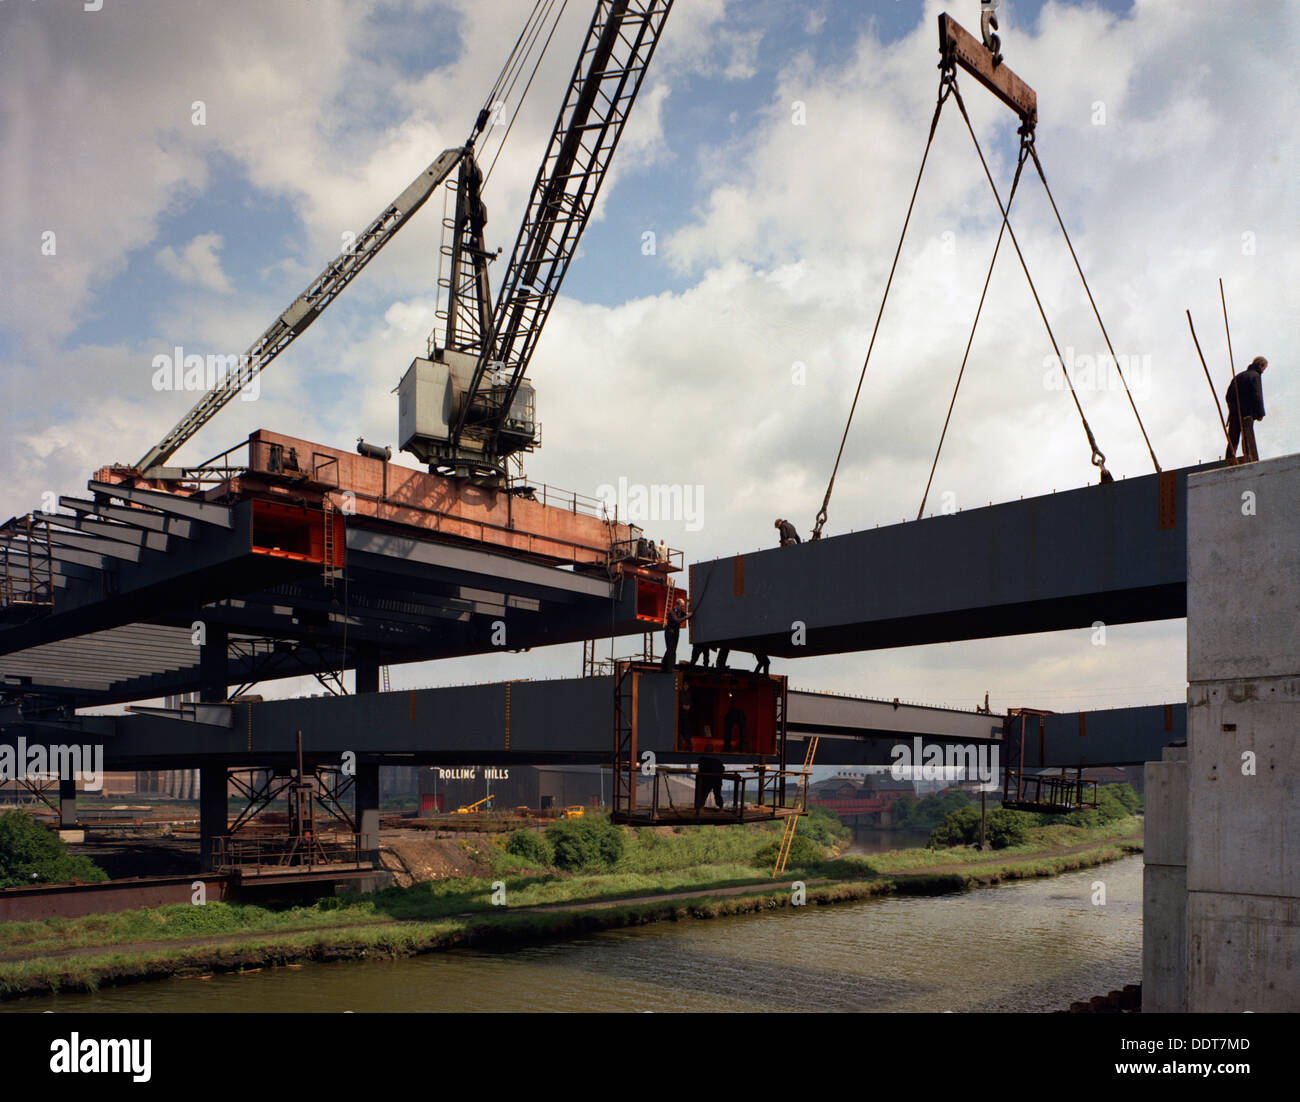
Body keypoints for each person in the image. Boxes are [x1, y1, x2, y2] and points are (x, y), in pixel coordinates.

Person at [1224, 356, 1267, 462]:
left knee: (1233, 438)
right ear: (1261, 366)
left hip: (1235, 413)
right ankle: (1248, 458)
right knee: (1247, 437)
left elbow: (1228, 396)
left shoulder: (1238, 376)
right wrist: (1260, 413)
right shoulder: (1255, 376)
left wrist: (1232, 408)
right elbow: (1257, 394)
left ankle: (1229, 460)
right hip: (1247, 414)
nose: (1264, 371)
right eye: (1264, 368)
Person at [661, 597, 691, 671]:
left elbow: (686, 615)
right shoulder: (672, 611)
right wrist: (686, 617)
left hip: (676, 633)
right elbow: (677, 620)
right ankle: (671, 668)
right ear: (677, 605)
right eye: (682, 606)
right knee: (671, 650)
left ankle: (664, 665)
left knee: (671, 649)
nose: (683, 607)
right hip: (670, 632)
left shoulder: (681, 612)